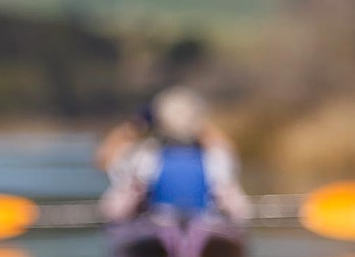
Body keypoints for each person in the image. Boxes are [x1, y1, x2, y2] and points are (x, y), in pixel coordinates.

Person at [98, 86, 252, 223]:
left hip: (159, 222)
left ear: (160, 122)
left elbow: (104, 159)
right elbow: (230, 154)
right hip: (203, 222)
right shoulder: (216, 158)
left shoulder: (144, 156)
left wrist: (135, 125)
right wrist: (199, 124)